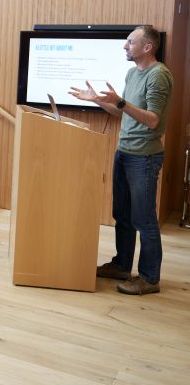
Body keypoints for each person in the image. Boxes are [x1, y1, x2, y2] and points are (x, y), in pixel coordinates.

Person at [70, 25, 173, 295]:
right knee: (123, 215)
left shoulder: (158, 75)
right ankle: (122, 266)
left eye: (130, 42)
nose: (124, 46)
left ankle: (149, 278)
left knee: (144, 218)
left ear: (147, 47)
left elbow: (152, 120)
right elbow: (123, 115)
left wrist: (121, 102)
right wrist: (98, 101)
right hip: (124, 152)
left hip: (145, 157)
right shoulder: (131, 73)